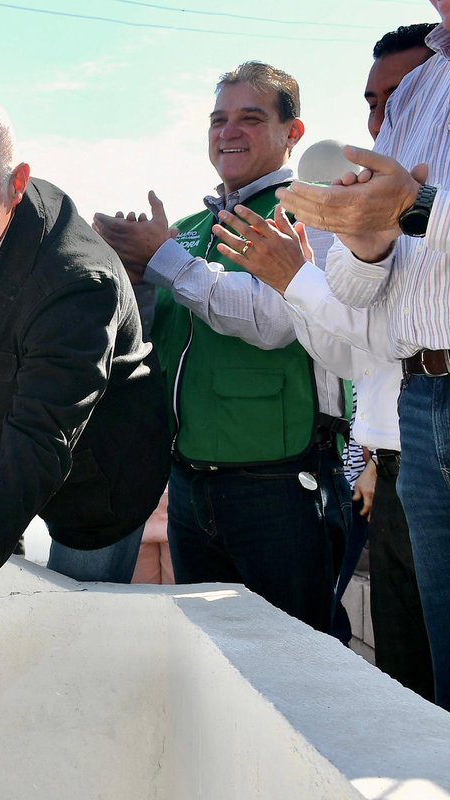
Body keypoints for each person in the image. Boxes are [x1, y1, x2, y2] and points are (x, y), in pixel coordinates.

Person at [0, 96, 170, 657]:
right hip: (18, 440)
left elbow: (40, 443)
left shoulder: (75, 285)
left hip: (98, 480)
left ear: (15, 183)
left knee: (72, 637)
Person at [92, 62, 351, 636]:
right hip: (188, 487)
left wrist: (162, 258)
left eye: (249, 119)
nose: (227, 132)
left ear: (293, 133)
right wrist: (123, 268)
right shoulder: (188, 226)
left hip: (277, 490)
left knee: (298, 659)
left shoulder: (308, 213)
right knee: (212, 657)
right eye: (218, 119)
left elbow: (271, 320)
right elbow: (154, 336)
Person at [217, 24, 436, 699]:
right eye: (376, 104)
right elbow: (349, 347)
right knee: (407, 689)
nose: (385, 120)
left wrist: (290, 281)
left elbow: (363, 338)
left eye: (399, 98)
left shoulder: (330, 207)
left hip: (362, 465)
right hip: (391, 464)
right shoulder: (353, 205)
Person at [279, 3, 450, 709]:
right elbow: (364, 303)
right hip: (422, 406)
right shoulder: (424, 88)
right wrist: (364, 240)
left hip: (394, 431)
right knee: (434, 688)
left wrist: (413, 208)